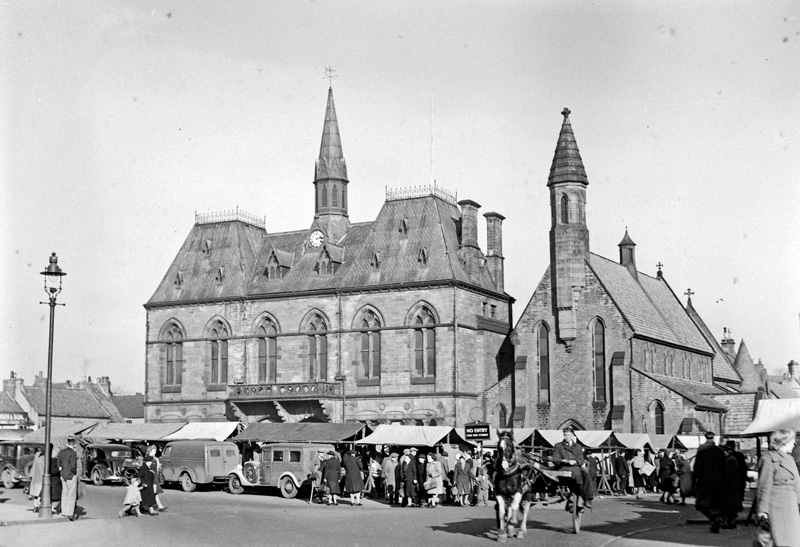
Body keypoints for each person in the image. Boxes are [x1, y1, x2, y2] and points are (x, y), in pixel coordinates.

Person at [754, 429, 800, 547]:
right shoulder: (768, 459)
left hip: (791, 506)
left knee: (793, 540)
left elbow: (797, 485)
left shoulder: (790, 459)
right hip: (777, 507)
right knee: (780, 540)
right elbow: (764, 487)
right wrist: (762, 511)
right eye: (792, 441)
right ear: (784, 442)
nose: (794, 444)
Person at [551, 428, 595, 509]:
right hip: (564, 467)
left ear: (572, 435)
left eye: (568, 435)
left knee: (586, 475)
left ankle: (588, 498)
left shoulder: (578, 446)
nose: (566, 437)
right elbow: (555, 459)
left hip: (576, 466)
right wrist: (563, 461)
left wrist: (575, 461)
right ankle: (578, 493)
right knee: (575, 474)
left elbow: (581, 460)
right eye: (565, 435)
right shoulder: (558, 446)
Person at [693, 431, 726, 533]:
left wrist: (694, 478)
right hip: (718, 482)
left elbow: (697, 464)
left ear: (705, 437)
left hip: (705, 481)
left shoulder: (702, 449)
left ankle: (713, 517)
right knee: (715, 504)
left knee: (700, 504)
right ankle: (714, 523)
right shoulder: (719, 450)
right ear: (713, 438)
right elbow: (724, 467)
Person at [719, 440, 743, 529]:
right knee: (728, 505)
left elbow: (728, 474)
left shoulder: (731, 460)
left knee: (728, 505)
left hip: (730, 487)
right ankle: (728, 522)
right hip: (729, 487)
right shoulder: (728, 459)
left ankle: (729, 522)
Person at [57, 436, 79, 521]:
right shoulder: (73, 453)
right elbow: (73, 465)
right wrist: (73, 472)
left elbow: (58, 463)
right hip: (70, 475)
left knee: (64, 493)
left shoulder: (61, 451)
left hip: (62, 475)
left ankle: (64, 511)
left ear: (67, 443)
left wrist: (61, 470)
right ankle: (69, 512)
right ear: (74, 444)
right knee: (71, 494)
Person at [146, 445, 167, 511]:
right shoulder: (147, 458)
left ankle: (156, 506)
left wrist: (158, 463)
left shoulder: (155, 459)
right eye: (154, 451)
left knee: (154, 492)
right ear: (150, 451)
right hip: (150, 477)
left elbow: (157, 469)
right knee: (153, 492)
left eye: (155, 451)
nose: (155, 452)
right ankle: (157, 506)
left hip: (155, 476)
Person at [29, 446, 45, 513]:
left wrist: (31, 475)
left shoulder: (37, 455)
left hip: (35, 476)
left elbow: (34, 466)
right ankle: (38, 506)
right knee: (40, 493)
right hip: (41, 477)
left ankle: (35, 507)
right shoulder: (44, 457)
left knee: (36, 493)